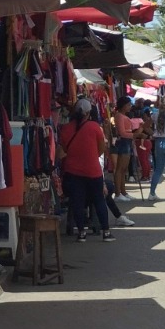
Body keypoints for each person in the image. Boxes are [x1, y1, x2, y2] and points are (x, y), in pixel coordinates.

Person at [59, 98, 112, 241]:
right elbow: (101, 149)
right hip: (93, 170)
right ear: (88, 113)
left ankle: (81, 233)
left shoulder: (65, 129)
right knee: (99, 200)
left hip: (73, 171)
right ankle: (106, 232)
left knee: (77, 201)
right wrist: (90, 156)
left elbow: (65, 149)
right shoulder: (95, 127)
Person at [111, 97, 137, 201]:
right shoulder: (119, 116)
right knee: (120, 169)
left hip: (127, 142)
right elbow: (122, 132)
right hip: (123, 142)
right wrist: (134, 135)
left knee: (124, 169)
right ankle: (118, 193)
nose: (130, 106)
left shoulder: (122, 116)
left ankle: (123, 191)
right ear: (123, 105)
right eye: (128, 104)